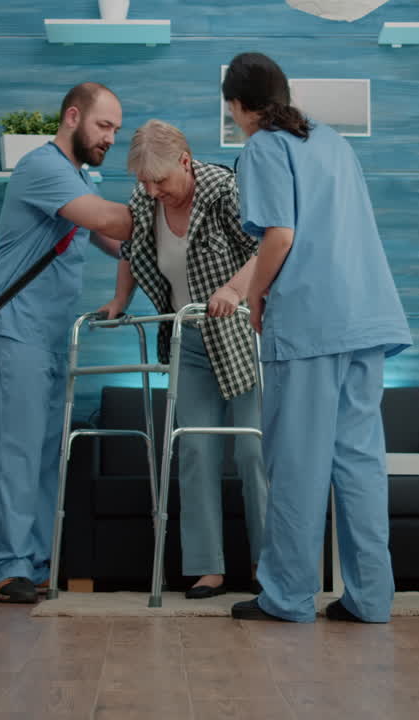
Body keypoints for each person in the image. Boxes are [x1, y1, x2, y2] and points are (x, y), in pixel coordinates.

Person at [220, 53, 412, 623]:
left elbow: (279, 236)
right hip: (366, 318)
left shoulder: (261, 147)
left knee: (297, 464)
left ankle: (285, 597)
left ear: (235, 106)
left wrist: (254, 295)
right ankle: (372, 599)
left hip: (310, 324)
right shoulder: (331, 142)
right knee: (358, 463)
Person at [0, 82, 133, 603]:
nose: (111, 136)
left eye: (115, 128)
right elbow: (111, 220)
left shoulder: (74, 178)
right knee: (14, 453)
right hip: (18, 330)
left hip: (50, 337)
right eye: (104, 125)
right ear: (72, 117)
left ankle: (36, 565)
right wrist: (169, 193)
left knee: (44, 456)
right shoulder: (42, 168)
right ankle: (6, 568)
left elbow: (118, 241)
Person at [96, 119, 267, 599]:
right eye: (144, 182)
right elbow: (131, 249)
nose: (153, 191)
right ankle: (207, 568)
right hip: (186, 336)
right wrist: (119, 301)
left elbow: (264, 250)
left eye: (161, 181)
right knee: (193, 449)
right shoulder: (145, 200)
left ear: (186, 162)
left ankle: (269, 565)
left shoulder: (224, 190)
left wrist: (234, 289)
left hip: (237, 334)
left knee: (253, 451)